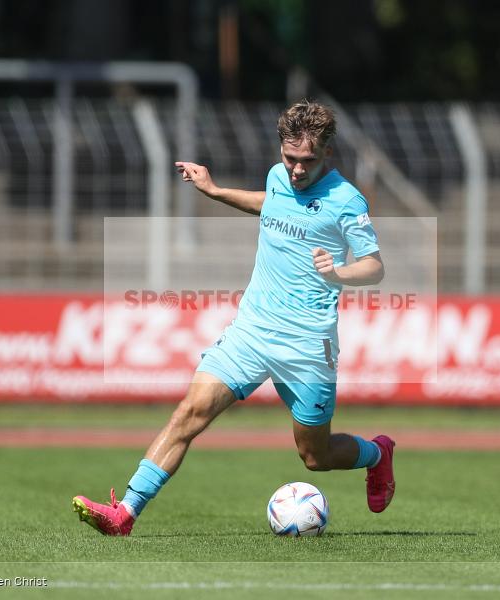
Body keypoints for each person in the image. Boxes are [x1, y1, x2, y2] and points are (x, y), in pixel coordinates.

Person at [72, 100, 395, 536]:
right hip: (253, 331)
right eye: (290, 158)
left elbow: (374, 265)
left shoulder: (346, 200)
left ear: (328, 153)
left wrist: (339, 273)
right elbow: (271, 203)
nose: (297, 170)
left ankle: (376, 454)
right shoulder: (278, 177)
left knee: (314, 456)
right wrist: (216, 191)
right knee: (190, 412)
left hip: (307, 343)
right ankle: (125, 514)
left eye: (307, 161)